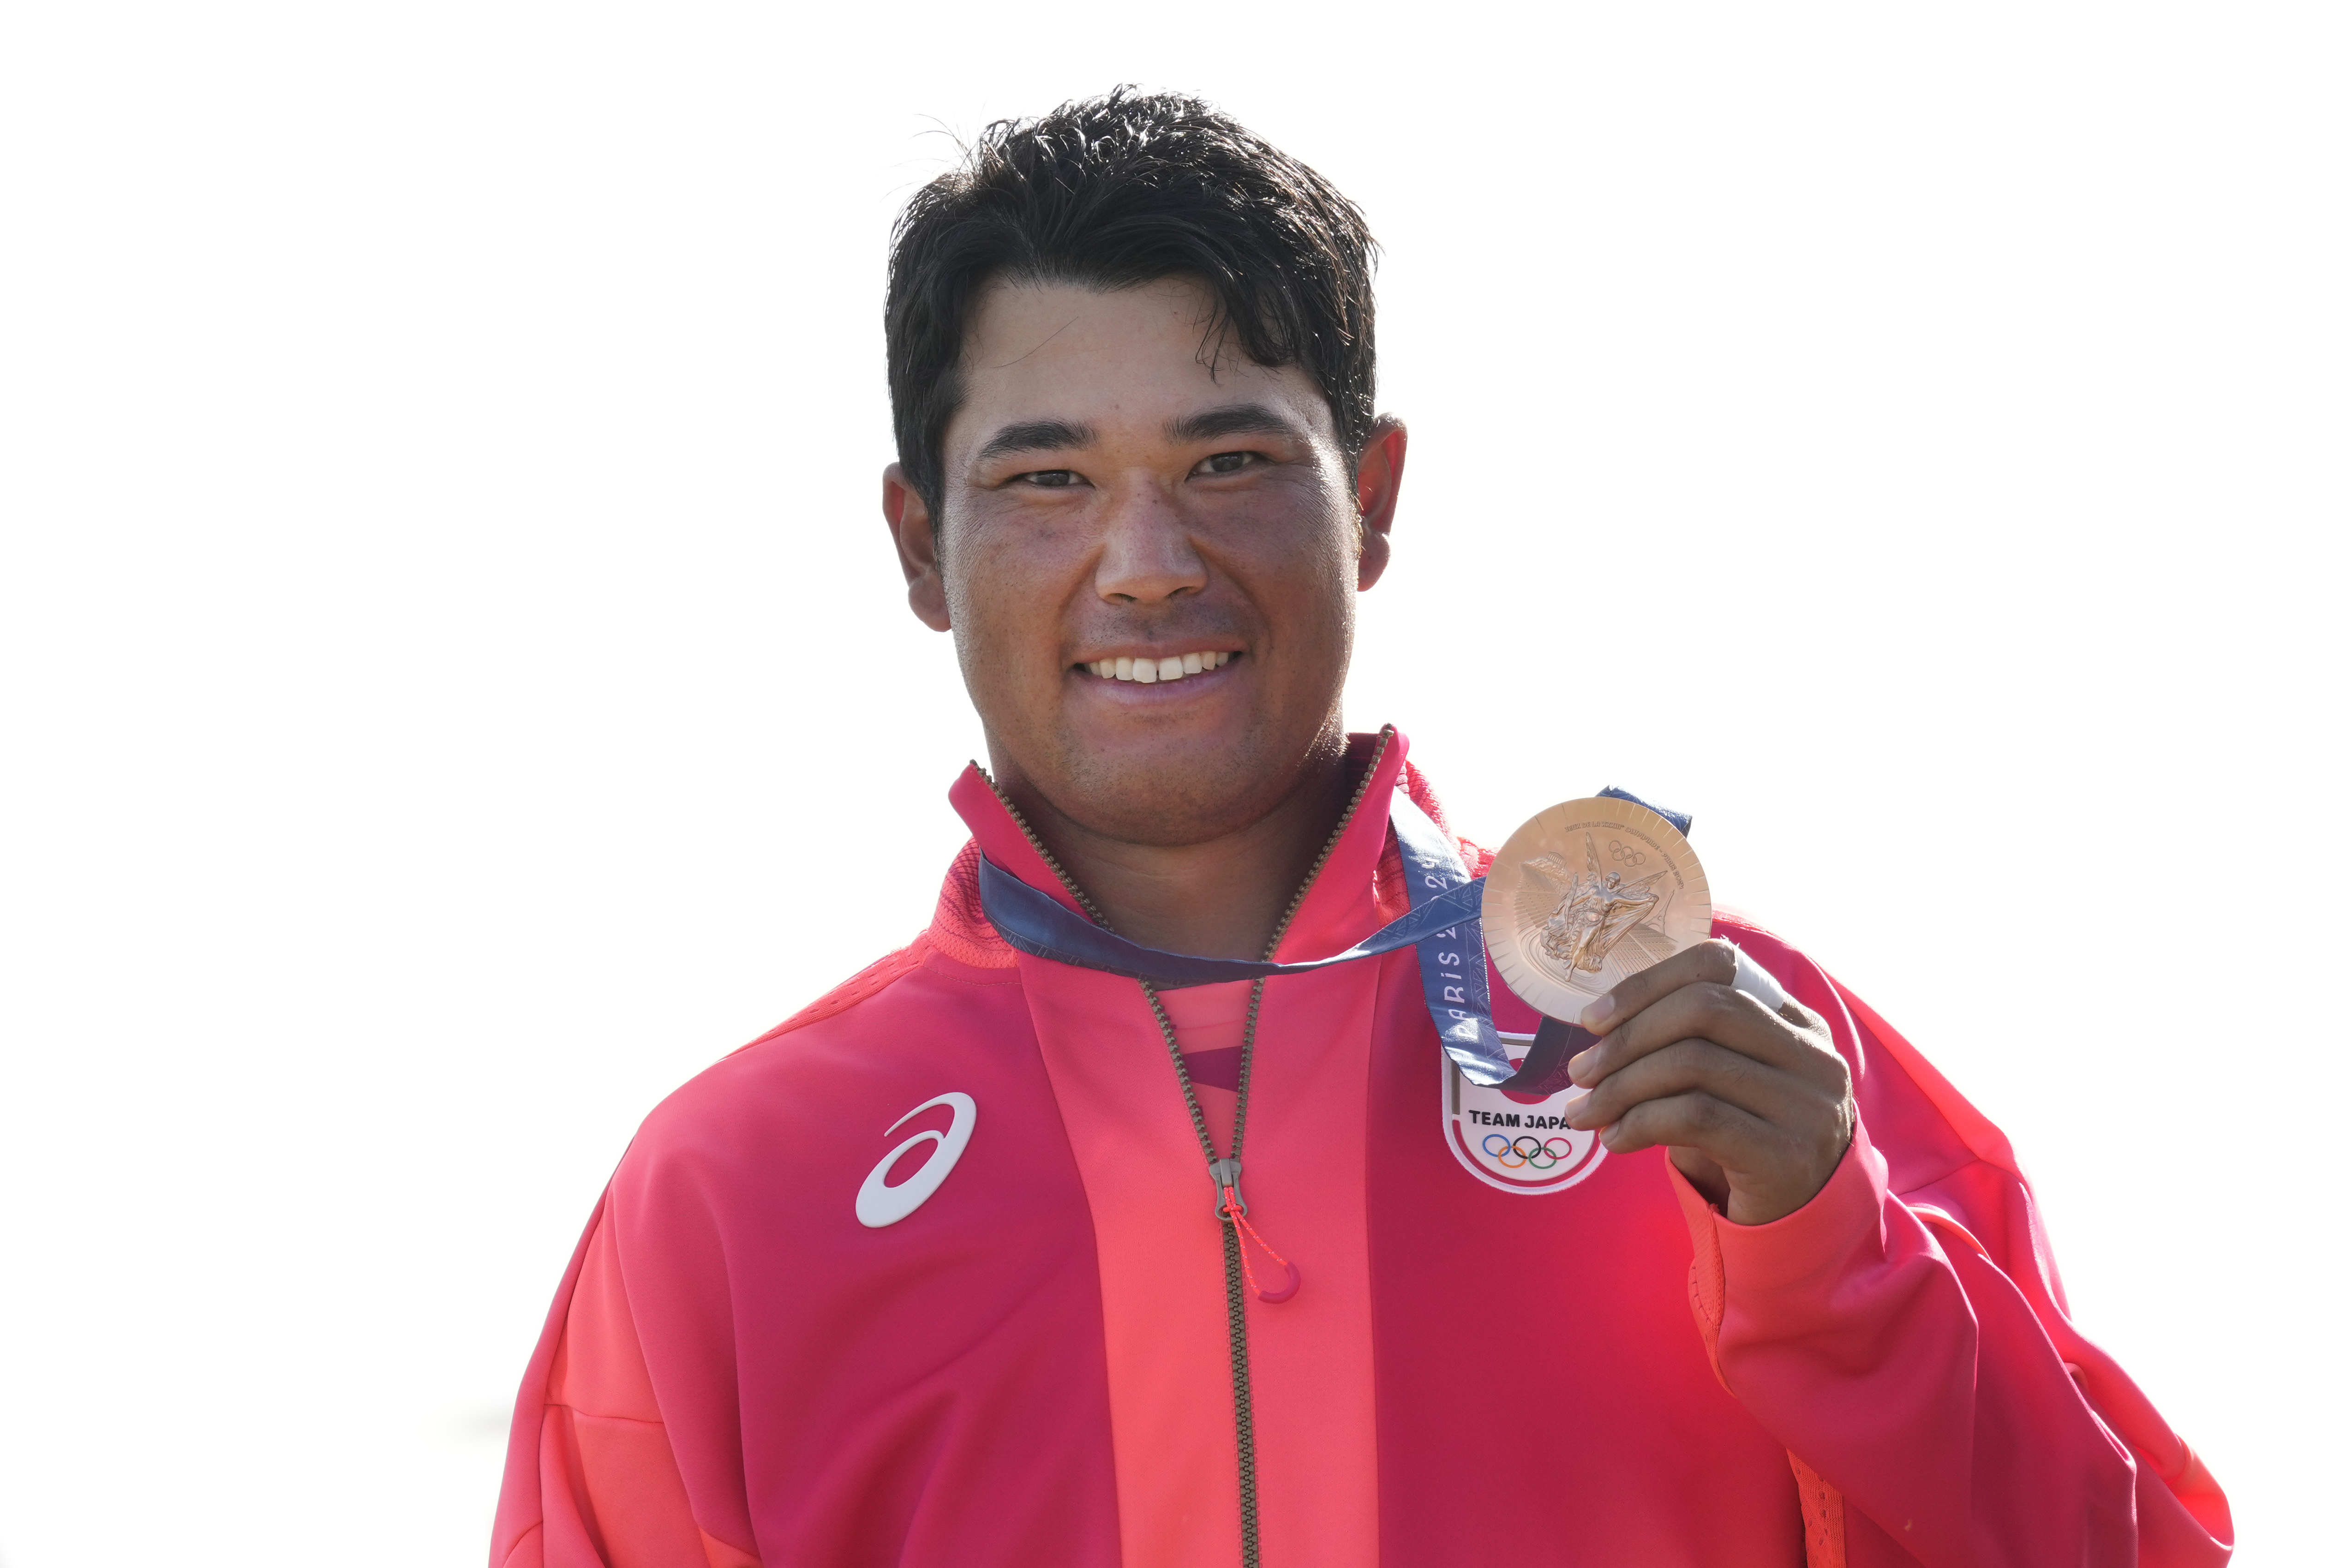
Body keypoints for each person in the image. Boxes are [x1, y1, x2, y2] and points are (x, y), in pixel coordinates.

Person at [490, 89, 2232, 1568]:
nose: (1149, 560)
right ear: (917, 550)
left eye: (1230, 460)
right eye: (1045, 480)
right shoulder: (729, 1189)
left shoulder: (1726, 1058)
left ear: (1373, 501)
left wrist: (1822, 1255)